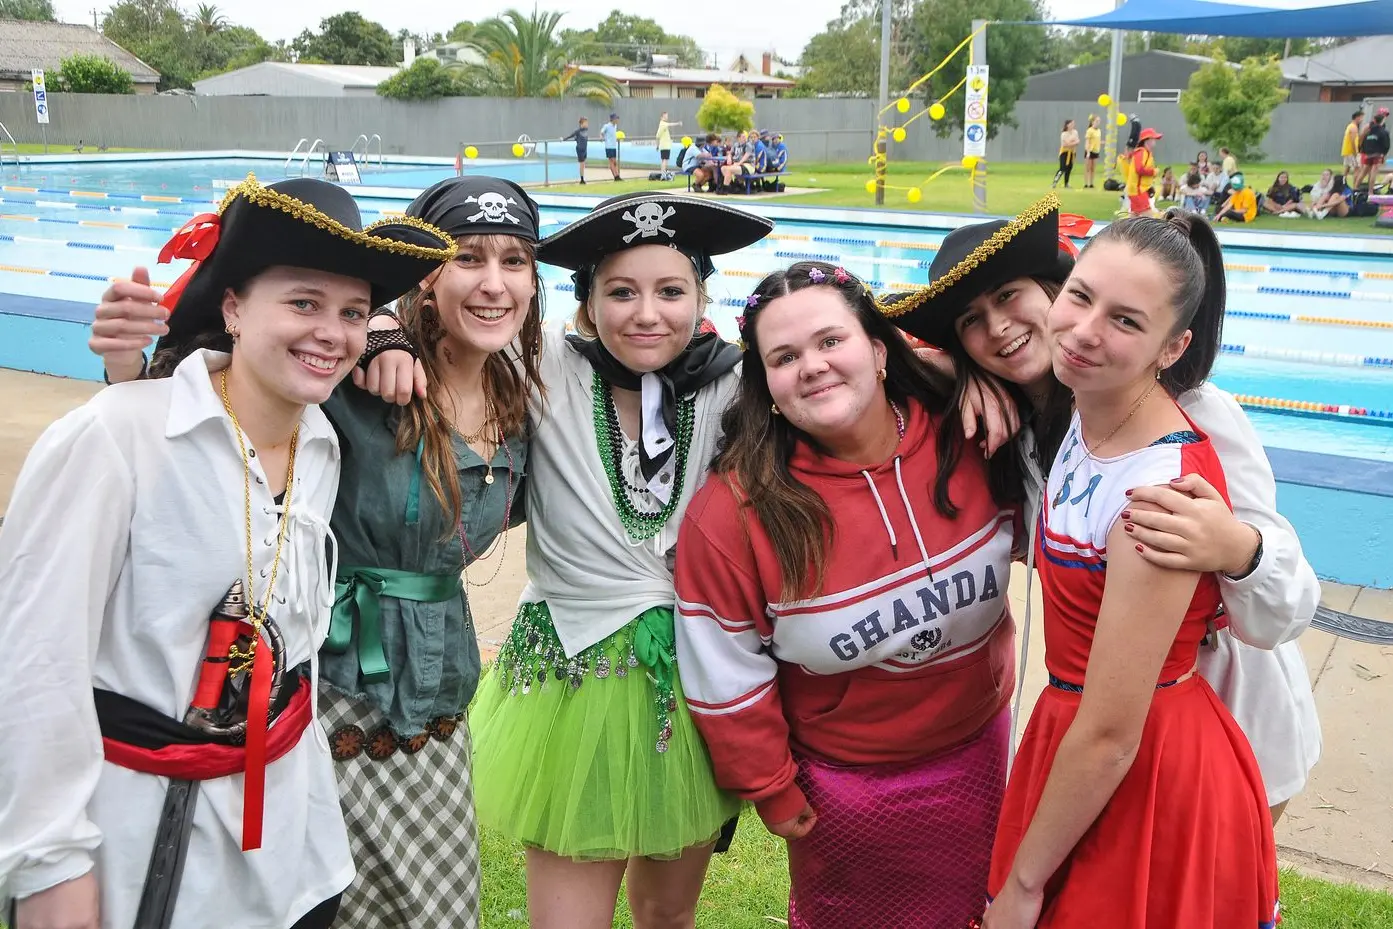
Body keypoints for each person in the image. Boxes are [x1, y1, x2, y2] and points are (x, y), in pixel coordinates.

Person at [89, 176, 544, 929]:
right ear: (428, 280)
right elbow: (216, 402)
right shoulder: (353, 375)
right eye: (467, 257)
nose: (493, 283)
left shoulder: (524, 397)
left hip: (436, 707)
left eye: (515, 261)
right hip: (322, 694)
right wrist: (126, 367)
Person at [0, 175, 454, 929]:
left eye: (350, 312)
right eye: (303, 302)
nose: (331, 333)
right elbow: (32, 662)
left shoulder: (319, 444)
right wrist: (50, 864)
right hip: (142, 847)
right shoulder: (116, 437)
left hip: (292, 853)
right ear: (235, 307)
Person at [878, 194, 1320, 833]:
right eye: (971, 321)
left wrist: (1241, 549)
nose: (997, 327)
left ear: (1060, 292)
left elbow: (1288, 608)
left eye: (1009, 296)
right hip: (1105, 721)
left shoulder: (1186, 409)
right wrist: (956, 371)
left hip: (1225, 708)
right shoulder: (1015, 429)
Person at [675, 261, 1017, 929]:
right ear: (767, 387)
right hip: (845, 790)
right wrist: (769, 786)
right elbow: (723, 669)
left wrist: (976, 374)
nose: (811, 366)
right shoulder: (734, 511)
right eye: (784, 356)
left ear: (880, 351)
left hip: (978, 753)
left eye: (831, 341)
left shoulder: (974, 434)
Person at [467, 192, 774, 928]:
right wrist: (382, 330)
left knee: (666, 913)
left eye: (670, 291)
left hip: (695, 684)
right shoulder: (539, 367)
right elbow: (440, 326)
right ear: (585, 304)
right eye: (620, 292)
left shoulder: (743, 383)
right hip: (571, 680)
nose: (646, 314)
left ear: (701, 296)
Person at [982, 209, 1279, 928]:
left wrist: (1023, 883)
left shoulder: (1158, 493)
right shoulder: (1087, 411)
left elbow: (1113, 730)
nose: (1083, 330)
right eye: (1079, 296)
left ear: (1170, 347)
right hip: (1083, 733)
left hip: (1132, 757)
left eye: (1125, 321)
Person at [1124, 128, 1160, 216]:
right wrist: (1153, 172)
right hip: (1137, 190)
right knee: (1148, 217)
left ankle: (1122, 229)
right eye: (1153, 138)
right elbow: (1139, 169)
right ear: (1147, 140)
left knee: (1134, 216)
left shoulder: (1146, 153)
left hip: (1138, 189)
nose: (1155, 140)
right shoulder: (1141, 152)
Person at [1355, 107, 1390, 194]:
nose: (1385, 117)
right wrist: (1361, 149)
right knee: (1369, 171)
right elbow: (1362, 136)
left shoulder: (1376, 127)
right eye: (1384, 115)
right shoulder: (1370, 126)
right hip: (1370, 152)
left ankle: (1356, 188)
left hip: (1369, 152)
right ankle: (1369, 191)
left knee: (1366, 171)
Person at [563, 117, 590, 185]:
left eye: (587, 123)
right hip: (580, 149)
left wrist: (577, 138)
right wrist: (564, 139)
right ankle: (582, 179)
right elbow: (571, 135)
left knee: (583, 165)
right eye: (585, 123)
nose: (587, 124)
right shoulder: (578, 131)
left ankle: (582, 178)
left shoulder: (586, 129)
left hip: (585, 149)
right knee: (581, 164)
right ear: (581, 124)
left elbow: (582, 138)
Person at [1053, 119, 1079, 189]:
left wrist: (1071, 143)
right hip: (1064, 152)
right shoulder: (1064, 134)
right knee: (1062, 168)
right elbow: (1064, 144)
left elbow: (1077, 141)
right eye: (1071, 123)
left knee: (1069, 168)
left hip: (1072, 152)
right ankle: (1055, 182)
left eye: (1073, 123)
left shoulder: (1075, 132)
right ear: (1067, 125)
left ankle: (1066, 183)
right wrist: (1072, 142)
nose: (1073, 125)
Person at [1342, 109, 1365, 179]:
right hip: (1351, 151)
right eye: (1361, 117)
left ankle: (1342, 182)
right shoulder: (1353, 127)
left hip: (1347, 151)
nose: (1362, 120)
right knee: (1357, 169)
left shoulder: (1350, 126)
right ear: (1357, 117)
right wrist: (1355, 152)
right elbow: (1352, 140)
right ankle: (1355, 187)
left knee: (1347, 168)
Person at [602, 113, 622, 182]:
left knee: (615, 162)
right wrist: (603, 138)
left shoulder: (615, 126)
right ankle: (616, 176)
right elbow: (602, 132)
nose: (617, 120)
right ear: (612, 119)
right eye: (616, 119)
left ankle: (617, 175)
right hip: (609, 146)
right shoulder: (607, 126)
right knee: (612, 161)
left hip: (614, 146)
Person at [1083, 115, 1101, 188]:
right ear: (1092, 122)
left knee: (1093, 168)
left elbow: (1097, 141)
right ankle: (1086, 183)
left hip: (1096, 151)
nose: (1098, 122)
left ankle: (1091, 183)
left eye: (1099, 121)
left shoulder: (1099, 130)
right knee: (1088, 168)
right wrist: (1088, 152)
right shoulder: (1089, 130)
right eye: (1096, 121)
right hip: (1090, 151)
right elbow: (1087, 141)